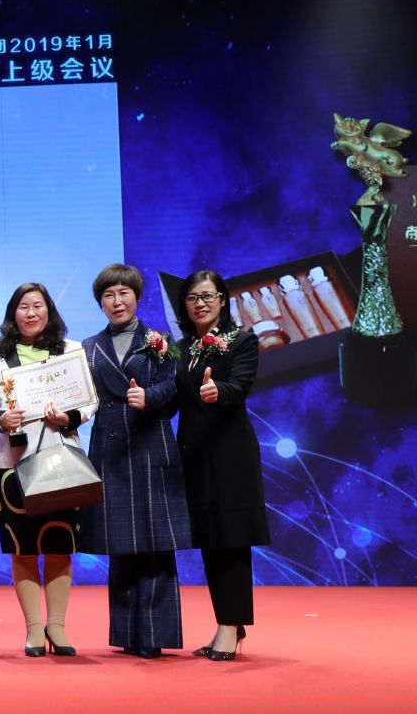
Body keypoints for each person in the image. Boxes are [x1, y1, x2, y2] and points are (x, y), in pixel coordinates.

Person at [79, 263, 192, 658]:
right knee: (121, 544)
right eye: (108, 295)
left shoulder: (160, 341)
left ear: (137, 297)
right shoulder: (88, 347)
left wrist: (150, 397)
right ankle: (128, 633)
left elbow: (174, 385)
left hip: (151, 446)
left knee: (156, 545)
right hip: (109, 451)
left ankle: (155, 636)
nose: (117, 301)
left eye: (123, 293)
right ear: (101, 303)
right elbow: (82, 397)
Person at [0, 283, 94, 657]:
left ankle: (57, 627)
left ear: (49, 310)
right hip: (14, 461)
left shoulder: (71, 350)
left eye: (38, 305)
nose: (31, 313)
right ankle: (34, 629)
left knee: (60, 546)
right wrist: (2, 419)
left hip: (62, 457)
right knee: (23, 548)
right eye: (23, 307)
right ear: (12, 314)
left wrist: (70, 417)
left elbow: (90, 400)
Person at [173, 270, 270, 661]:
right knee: (211, 541)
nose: (200, 304)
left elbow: (241, 385)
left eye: (207, 296)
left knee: (232, 539)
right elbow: (174, 399)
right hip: (194, 454)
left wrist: (219, 391)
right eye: (192, 298)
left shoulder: (242, 340)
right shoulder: (181, 349)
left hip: (231, 453)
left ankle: (231, 626)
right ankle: (225, 623)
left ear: (223, 299)